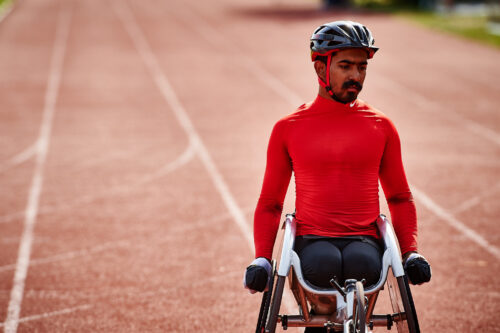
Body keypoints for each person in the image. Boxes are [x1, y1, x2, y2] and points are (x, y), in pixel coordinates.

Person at [244, 20, 431, 330]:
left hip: (364, 240)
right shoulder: (288, 128)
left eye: (362, 67)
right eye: (346, 66)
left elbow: (399, 197)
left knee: (361, 264)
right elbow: (270, 203)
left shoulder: (381, 126)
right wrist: (262, 259)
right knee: (323, 264)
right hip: (312, 239)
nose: (356, 76)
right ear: (320, 69)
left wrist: (410, 253)